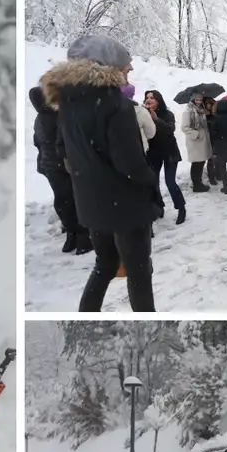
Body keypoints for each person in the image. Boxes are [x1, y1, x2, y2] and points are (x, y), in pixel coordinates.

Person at [39, 34, 158, 312]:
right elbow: (130, 164)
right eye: (125, 64)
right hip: (127, 206)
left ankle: (85, 314)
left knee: (104, 266)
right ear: (108, 65)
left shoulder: (68, 102)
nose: (129, 69)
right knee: (139, 271)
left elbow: (62, 151)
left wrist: (91, 177)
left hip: (91, 205)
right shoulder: (114, 103)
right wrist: (150, 180)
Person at [30, 86, 91, 254]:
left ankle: (71, 235)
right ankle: (83, 237)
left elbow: (37, 142)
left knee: (63, 200)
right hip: (63, 164)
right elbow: (67, 140)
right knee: (75, 199)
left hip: (49, 165)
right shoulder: (58, 117)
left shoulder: (39, 119)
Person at [142, 89, 187, 225]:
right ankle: (159, 206)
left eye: (153, 98)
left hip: (169, 152)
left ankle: (181, 208)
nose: (149, 100)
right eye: (147, 98)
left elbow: (169, 130)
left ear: (158, 101)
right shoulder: (143, 114)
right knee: (153, 181)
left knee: (170, 182)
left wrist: (156, 119)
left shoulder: (168, 114)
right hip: (154, 153)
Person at [180, 93, 212, 192]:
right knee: (196, 163)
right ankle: (197, 185)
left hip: (202, 141)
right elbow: (184, 127)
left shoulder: (201, 110)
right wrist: (196, 134)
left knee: (201, 162)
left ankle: (198, 183)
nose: (198, 102)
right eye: (196, 100)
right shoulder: (188, 111)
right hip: (195, 141)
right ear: (193, 100)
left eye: (200, 100)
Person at [121, 83, 156, 152]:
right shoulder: (141, 111)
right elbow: (151, 133)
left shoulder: (110, 109)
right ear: (133, 94)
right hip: (138, 149)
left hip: (116, 151)